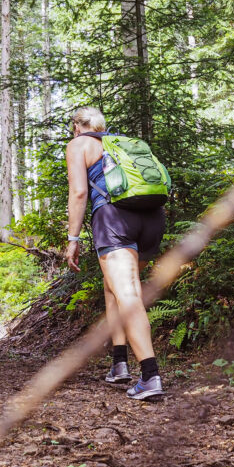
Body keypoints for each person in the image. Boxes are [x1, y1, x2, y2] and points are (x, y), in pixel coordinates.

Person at [64, 106, 165, 400]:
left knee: (128, 293)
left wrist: (73, 238)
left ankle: (150, 376)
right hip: (152, 217)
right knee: (114, 289)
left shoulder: (79, 143)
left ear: (78, 127)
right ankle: (119, 362)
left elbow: (79, 192)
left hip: (114, 218)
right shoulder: (120, 143)